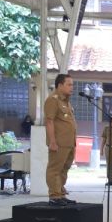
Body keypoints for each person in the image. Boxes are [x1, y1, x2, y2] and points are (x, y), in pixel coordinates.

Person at [43, 74, 77, 205]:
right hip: (58, 143)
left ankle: (61, 193)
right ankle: (54, 195)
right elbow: (49, 122)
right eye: (69, 84)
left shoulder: (66, 101)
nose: (72, 87)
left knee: (64, 169)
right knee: (55, 169)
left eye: (72, 84)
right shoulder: (53, 100)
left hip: (69, 143)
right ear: (60, 85)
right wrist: (52, 141)